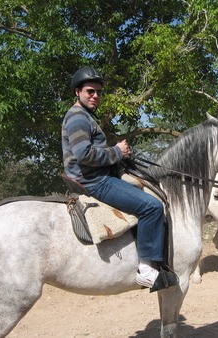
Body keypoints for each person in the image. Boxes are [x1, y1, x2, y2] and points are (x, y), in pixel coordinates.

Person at [61, 66, 178, 291]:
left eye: (98, 92)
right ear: (77, 92)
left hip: (98, 175)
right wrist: (117, 151)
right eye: (90, 91)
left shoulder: (84, 115)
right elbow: (83, 155)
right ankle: (146, 269)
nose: (95, 96)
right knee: (152, 206)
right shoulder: (77, 117)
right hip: (94, 181)